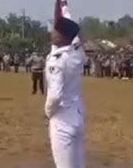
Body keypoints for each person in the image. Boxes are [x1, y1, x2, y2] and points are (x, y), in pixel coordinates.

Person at [45, 16, 84, 168]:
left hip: (62, 119)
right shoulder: (76, 53)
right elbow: (73, 34)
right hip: (76, 115)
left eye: (55, 31)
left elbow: (55, 95)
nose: (51, 33)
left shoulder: (57, 60)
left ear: (62, 36)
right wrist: (64, 4)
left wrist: (48, 111)